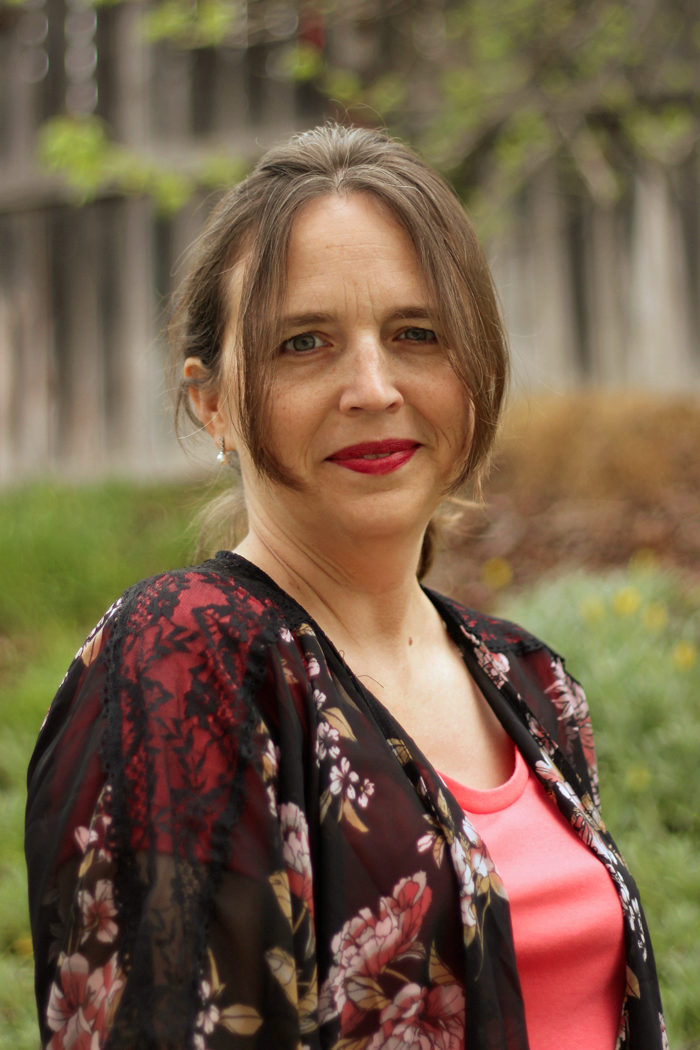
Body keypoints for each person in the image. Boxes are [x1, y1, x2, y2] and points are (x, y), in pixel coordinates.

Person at [26, 124, 666, 1050]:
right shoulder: (185, 660)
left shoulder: (531, 682)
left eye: (416, 334)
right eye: (304, 343)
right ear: (211, 399)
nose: (372, 387)